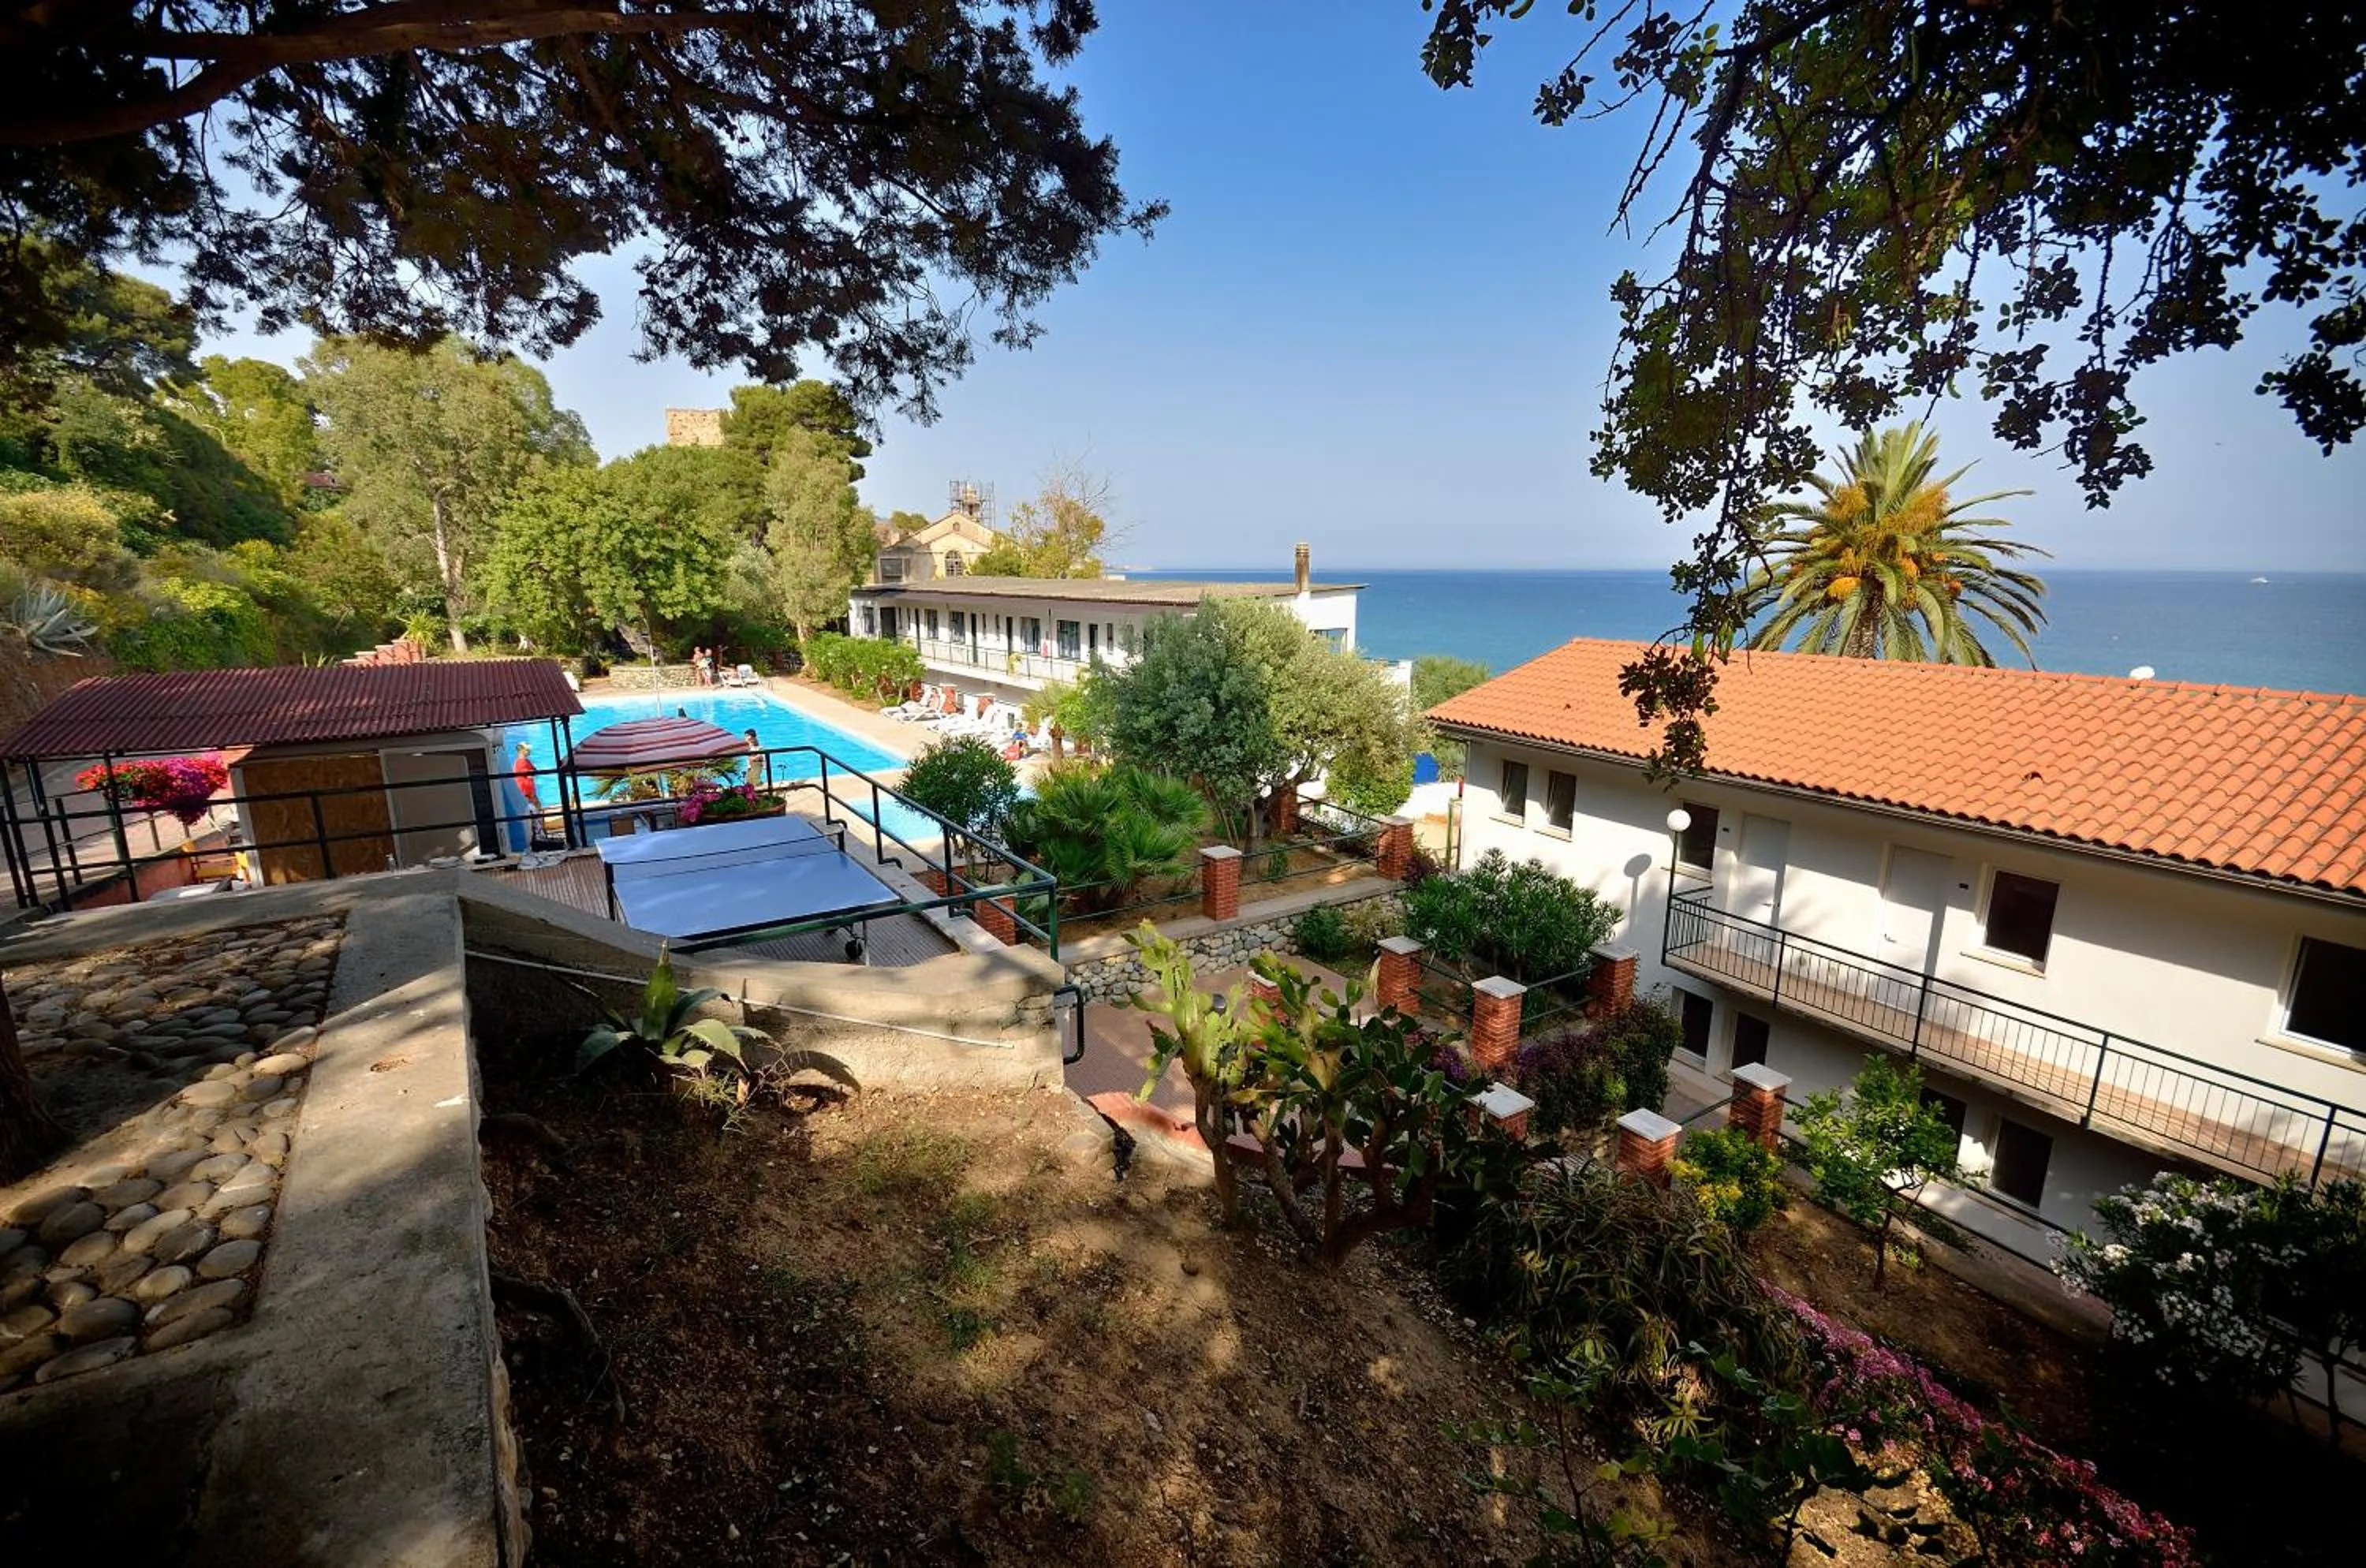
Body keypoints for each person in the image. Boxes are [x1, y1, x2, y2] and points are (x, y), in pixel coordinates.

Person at [745, 728, 769, 793]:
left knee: (755, 779)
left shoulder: (758, 747)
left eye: (747, 736)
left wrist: (764, 764)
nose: (745, 738)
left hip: (757, 765)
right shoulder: (748, 746)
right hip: (751, 766)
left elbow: (761, 756)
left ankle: (758, 791)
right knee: (748, 780)